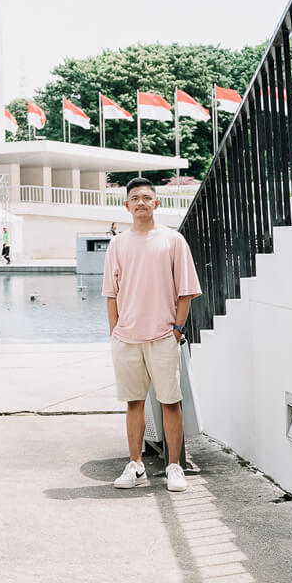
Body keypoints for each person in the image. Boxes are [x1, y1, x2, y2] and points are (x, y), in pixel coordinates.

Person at [103, 177, 202, 492]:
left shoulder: (173, 240)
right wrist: (115, 334)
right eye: (135, 198)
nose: (141, 203)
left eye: (147, 197)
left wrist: (177, 330)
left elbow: (186, 291)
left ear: (156, 203)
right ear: (127, 205)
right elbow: (111, 294)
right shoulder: (118, 244)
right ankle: (135, 467)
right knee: (134, 403)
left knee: (171, 402)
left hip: (163, 337)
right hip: (127, 339)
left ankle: (175, 467)